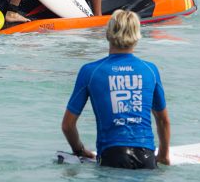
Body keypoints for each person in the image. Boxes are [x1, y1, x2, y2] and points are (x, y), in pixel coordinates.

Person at [61, 9, 170, 169]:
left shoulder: (90, 71)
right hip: (145, 155)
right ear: (137, 36)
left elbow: (68, 125)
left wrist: (79, 150)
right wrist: (163, 155)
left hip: (111, 156)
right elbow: (163, 120)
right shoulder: (150, 70)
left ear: (108, 33)